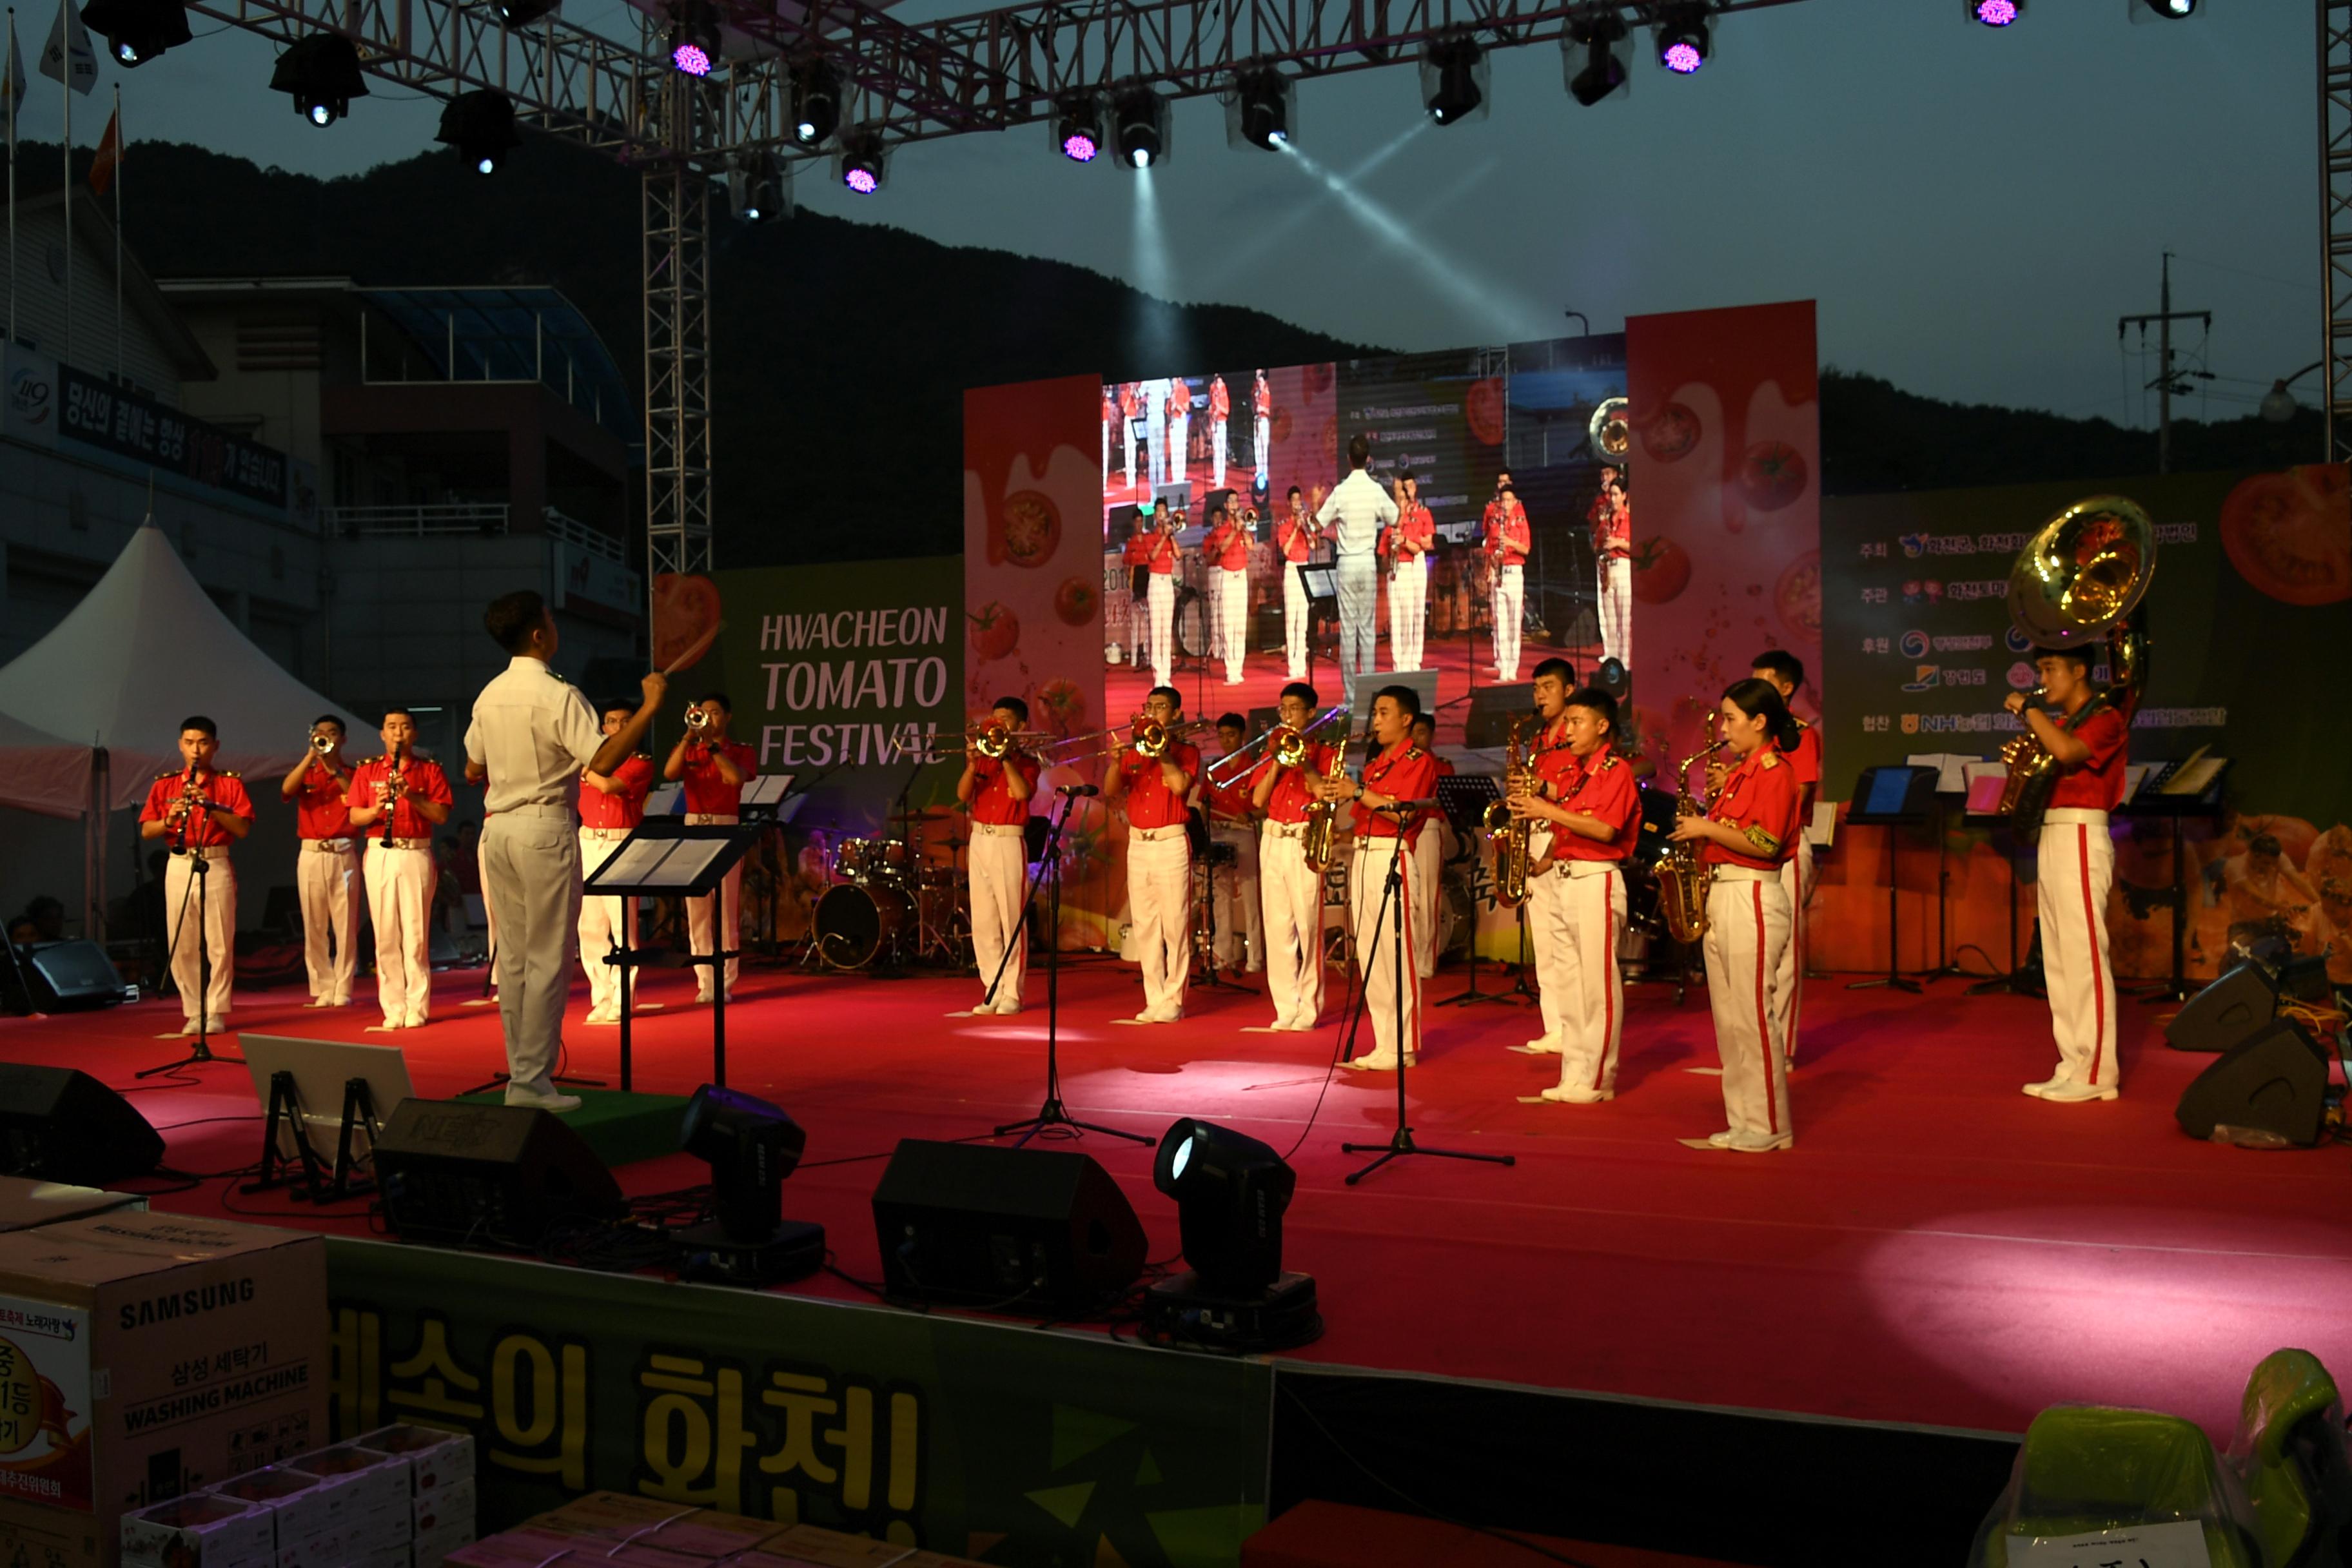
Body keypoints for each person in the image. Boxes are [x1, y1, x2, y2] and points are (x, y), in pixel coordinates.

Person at [466, 589, 667, 1110]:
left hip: (499, 828)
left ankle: (521, 1075)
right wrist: (649, 707)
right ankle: (532, 1082)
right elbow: (600, 762)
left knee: (511, 958)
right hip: (543, 827)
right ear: (538, 634)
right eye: (551, 621)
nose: (556, 628)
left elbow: (472, 765)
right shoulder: (559, 693)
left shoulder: (488, 694)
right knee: (549, 957)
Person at [1667, 679, 1804, 1152]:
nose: (1723, 729)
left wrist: (1705, 827)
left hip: (1753, 895)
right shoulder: (1743, 772)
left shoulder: (1774, 772)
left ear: (1759, 722)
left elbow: (1766, 844)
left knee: (1752, 1016)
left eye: (1730, 718)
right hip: (1725, 895)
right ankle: (1743, 1119)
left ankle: (1769, 1124)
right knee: (1729, 1021)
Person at [2005, 645, 2128, 1104]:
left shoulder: (2106, 717)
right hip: (2054, 834)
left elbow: (2067, 752)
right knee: (2057, 959)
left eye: (2051, 668)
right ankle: (2073, 1063)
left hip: (2082, 833)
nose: (2043, 677)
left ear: (2080, 672)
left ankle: (2097, 1071)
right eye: (2040, 669)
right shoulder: (2064, 721)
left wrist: (2031, 711)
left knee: (2084, 957)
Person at [1509, 675, 1640, 1102]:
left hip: (1595, 880)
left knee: (1596, 985)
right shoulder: (1580, 772)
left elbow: (1604, 828)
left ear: (1601, 727)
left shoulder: (1614, 769)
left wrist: (1548, 809)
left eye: (1577, 722)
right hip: (1567, 879)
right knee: (1569, 982)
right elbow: (1566, 800)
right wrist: (1534, 797)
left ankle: (1598, 1077)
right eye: (1568, 724)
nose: (1568, 732)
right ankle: (1574, 1072)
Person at [1317, 685, 1438, 1071]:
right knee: (1370, 955)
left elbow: (1402, 814)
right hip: (1365, 856)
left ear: (1407, 720)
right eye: (1375, 713)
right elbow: (1365, 816)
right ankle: (1386, 1042)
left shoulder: (1419, 760)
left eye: (1385, 713)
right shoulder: (1377, 763)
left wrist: (1359, 792)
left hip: (1393, 856)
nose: (1376, 721)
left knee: (1395, 956)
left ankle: (1403, 1045)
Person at [137, 717, 253, 1035]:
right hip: (179, 861)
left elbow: (242, 828)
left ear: (215, 746)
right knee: (183, 942)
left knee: (219, 942)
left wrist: (210, 806)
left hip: (215, 861)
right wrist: (169, 819)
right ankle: (193, 1010)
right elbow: (148, 830)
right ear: (180, 745)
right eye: (189, 743)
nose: (195, 750)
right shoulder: (165, 784)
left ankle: (216, 1011)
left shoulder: (229, 784)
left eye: (202, 743)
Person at [348, 708, 455, 1030]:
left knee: (416, 934)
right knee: (385, 934)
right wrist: (377, 809)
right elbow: (355, 817)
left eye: (405, 727)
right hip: (380, 850)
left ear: (415, 733)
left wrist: (410, 795)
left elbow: (441, 816)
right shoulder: (367, 771)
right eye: (391, 727)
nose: (398, 734)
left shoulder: (430, 771)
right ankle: (393, 1007)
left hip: (415, 852)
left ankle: (417, 1006)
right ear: (382, 734)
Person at [1104, 686, 1199, 1023]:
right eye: (1149, 705)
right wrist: (1116, 763)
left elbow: (1180, 787)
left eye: (1161, 707)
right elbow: (1111, 790)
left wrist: (1162, 751)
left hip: (1171, 841)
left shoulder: (1186, 751)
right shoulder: (1135, 750)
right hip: (1138, 842)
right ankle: (1153, 996)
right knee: (1145, 924)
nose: (1153, 711)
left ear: (1175, 715)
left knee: (1175, 924)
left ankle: (1174, 998)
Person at [1750, 651, 1820, 1068]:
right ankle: (1759, 1046)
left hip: (1788, 845)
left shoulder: (1798, 734)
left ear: (1788, 688)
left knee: (1786, 950)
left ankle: (1783, 1050)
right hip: (1753, 848)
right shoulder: (1759, 736)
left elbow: (1801, 794)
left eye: (1764, 682)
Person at [1251, 683, 1335, 1030]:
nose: (1286, 715)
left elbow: (1324, 794)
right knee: (1277, 926)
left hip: (1304, 836)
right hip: (1272, 836)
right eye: (1282, 708)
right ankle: (1285, 1007)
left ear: (1311, 713)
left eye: (1294, 709)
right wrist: (1276, 763)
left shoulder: (1326, 753)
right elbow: (1257, 801)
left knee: (1308, 926)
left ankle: (1309, 1007)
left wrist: (1304, 762)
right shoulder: (1271, 751)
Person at [665, 693, 758, 1003]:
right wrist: (688, 737)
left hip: (726, 826)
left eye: (715, 713)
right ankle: (705, 981)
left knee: (726, 910)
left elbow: (734, 778)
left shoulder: (741, 751)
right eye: (702, 713)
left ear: (727, 717)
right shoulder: (689, 747)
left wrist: (713, 747)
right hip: (694, 825)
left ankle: (726, 982)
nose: (708, 718)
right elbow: (669, 773)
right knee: (698, 910)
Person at [956, 696, 1039, 1017]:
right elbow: (963, 794)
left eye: (1005, 719)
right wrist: (973, 765)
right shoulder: (983, 759)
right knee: (984, 920)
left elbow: (1021, 793)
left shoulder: (1028, 762)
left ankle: (1012, 993)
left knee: (1011, 919)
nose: (997, 723)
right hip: (980, 838)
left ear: (1020, 726)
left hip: (1008, 839)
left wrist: (1005, 758)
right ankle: (991, 988)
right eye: (994, 717)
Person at [578, 698, 656, 1024]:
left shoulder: (639, 762)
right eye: (613, 722)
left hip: (621, 841)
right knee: (590, 926)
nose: (619, 728)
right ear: (603, 727)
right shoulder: (593, 757)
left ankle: (624, 996)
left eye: (627, 722)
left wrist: (583, 769)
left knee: (623, 923)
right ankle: (602, 995)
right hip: (587, 841)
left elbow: (610, 786)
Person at [282, 714, 360, 1008]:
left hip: (342, 851)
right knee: (314, 923)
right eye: (320, 734)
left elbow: (356, 797)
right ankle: (322, 985)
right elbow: (287, 790)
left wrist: (333, 769)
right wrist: (309, 758)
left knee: (345, 922)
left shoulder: (352, 773)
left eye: (331, 733)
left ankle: (344, 985)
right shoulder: (307, 773)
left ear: (343, 739)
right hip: (312, 852)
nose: (325, 738)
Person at [1314, 434, 1398, 708]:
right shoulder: (1374, 489)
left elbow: (1317, 524)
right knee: (1368, 631)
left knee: (1349, 632)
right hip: (1366, 561)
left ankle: (1351, 700)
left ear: (1349, 459)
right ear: (1368, 459)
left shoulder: (1341, 491)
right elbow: (1395, 517)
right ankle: (1372, 698)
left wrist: (1317, 502)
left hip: (1348, 563)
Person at [1204, 712, 1263, 974]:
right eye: (1222, 735)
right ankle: (1223, 954)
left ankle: (1256, 957)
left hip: (1244, 831)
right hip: (1218, 833)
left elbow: (1267, 806)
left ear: (1242, 736)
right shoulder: (1214, 768)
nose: (1226, 741)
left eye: (1231, 735)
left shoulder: (1254, 766)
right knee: (1221, 895)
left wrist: (1249, 815)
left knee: (1251, 895)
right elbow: (1205, 804)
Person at [1406, 713, 1455, 980]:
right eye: (1413, 732)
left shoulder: (1440, 766)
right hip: (1402, 829)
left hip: (1427, 829)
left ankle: (1426, 959)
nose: (1415, 738)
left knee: (1426, 897)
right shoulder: (1401, 763)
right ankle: (1408, 956)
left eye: (1422, 732)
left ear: (1432, 735)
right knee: (1407, 897)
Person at [1481, 472, 1531, 682]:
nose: (1507, 504)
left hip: (1514, 573)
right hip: (1498, 574)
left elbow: (1526, 549)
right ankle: (1503, 667)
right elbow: (1488, 546)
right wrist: (1490, 566)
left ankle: (1513, 666)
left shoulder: (1520, 519)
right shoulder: (1494, 521)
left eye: (1510, 500)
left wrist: (1509, 542)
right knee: (1500, 621)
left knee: (1514, 622)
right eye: (1504, 500)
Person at [1387, 471, 1435, 673]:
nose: (1408, 491)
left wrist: (1414, 542)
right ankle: (1403, 658)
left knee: (1416, 609)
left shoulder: (1423, 511)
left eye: (1410, 487)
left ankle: (1416, 656)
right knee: (1403, 612)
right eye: (1404, 488)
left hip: (1418, 561)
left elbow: (1428, 542)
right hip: (1402, 563)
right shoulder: (1397, 515)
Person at [1202, 502, 1251, 685]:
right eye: (1230, 502)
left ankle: (1239, 667)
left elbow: (1251, 546)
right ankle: (1231, 670)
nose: (1234, 505)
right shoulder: (1222, 529)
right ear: (1225, 505)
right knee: (1228, 625)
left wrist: (1243, 529)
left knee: (1240, 626)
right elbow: (1222, 549)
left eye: (1236, 502)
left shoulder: (1243, 526)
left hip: (1242, 576)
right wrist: (1234, 530)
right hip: (1228, 576)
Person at [1277, 487, 1320, 680]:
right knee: (1291, 620)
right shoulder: (1284, 526)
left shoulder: (1307, 523)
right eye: (1293, 500)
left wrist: (1306, 528)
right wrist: (1296, 528)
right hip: (1292, 569)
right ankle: (1292, 667)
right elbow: (1286, 550)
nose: (1297, 503)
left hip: (1305, 568)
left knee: (1302, 619)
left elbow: (1314, 545)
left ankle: (1301, 665)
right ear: (1289, 503)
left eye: (1299, 500)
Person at [1592, 470, 1632, 668]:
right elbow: (1597, 545)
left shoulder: (1631, 518)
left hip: (1624, 569)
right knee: (1610, 619)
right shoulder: (1607, 520)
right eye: (1611, 495)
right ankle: (1613, 660)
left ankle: (1625, 664)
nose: (1613, 499)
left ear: (1625, 496)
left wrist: (1618, 542)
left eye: (1617, 495)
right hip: (1608, 569)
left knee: (1624, 621)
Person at [1142, 509, 1181, 690]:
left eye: (1164, 513)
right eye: (1159, 513)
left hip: (1167, 582)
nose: (1162, 516)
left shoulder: (1169, 536)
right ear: (1155, 517)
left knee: (1167, 631)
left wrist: (1171, 536)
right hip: (1155, 581)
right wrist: (1164, 537)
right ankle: (1157, 674)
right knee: (1156, 630)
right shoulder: (1150, 537)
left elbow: (1179, 555)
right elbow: (1152, 555)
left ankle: (1167, 673)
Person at [1121, 510, 1157, 668]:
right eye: (1136, 522)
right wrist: (1130, 578)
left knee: (1151, 622)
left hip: (1149, 579)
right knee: (1136, 622)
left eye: (1141, 521)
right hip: (1136, 582)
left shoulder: (1149, 539)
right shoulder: (1131, 543)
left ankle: (1150, 656)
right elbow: (1125, 564)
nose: (1139, 524)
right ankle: (1135, 658)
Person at [1165, 378, 1191, 489]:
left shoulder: (1184, 389)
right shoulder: (1172, 392)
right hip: (1173, 422)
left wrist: (1177, 406)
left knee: (1181, 450)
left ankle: (1181, 476)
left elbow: (1187, 407)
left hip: (1181, 420)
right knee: (1174, 451)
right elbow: (1167, 411)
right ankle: (1176, 478)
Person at [1208, 373, 1231, 490]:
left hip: (1222, 423)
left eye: (1219, 382)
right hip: (1215, 423)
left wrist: (1219, 407)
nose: (1217, 384)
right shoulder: (1214, 392)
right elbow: (1211, 407)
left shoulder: (1224, 394)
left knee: (1221, 452)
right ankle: (1217, 476)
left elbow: (1226, 411)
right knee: (1216, 452)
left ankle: (1221, 480)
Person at [1119, 382, 1143, 491]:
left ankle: (1133, 479)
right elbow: (1125, 410)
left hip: (1135, 420)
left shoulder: (1136, 394)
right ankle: (1128, 479)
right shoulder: (1124, 394)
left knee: (1133, 451)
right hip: (1128, 420)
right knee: (1128, 451)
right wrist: (1130, 397)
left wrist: (1135, 397)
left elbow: (1138, 407)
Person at [1251, 369, 1273, 488]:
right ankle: (1259, 470)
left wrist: (1263, 409)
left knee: (1264, 447)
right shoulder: (1257, 391)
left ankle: (1264, 471)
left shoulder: (1268, 391)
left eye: (1260, 379)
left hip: (1265, 420)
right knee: (1257, 446)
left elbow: (1271, 411)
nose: (1258, 382)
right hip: (1257, 420)